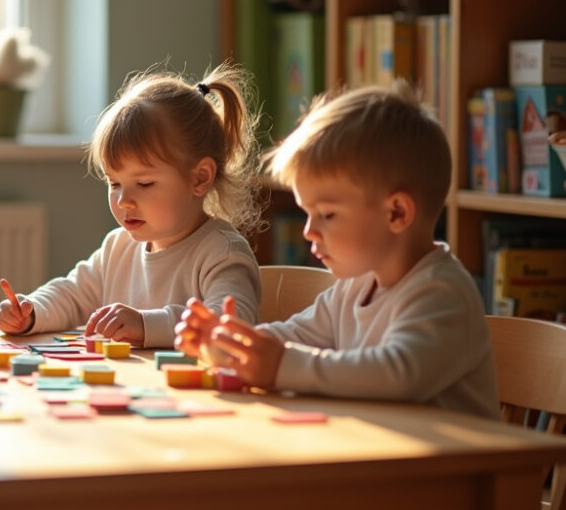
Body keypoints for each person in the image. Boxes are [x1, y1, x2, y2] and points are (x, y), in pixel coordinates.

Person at [175, 82, 500, 419]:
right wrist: (230, 343)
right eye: (307, 213)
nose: (308, 231)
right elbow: (295, 335)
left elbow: (399, 374)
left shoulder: (442, 293)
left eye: (327, 215)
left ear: (397, 213)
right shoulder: (355, 285)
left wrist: (282, 366)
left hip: (458, 468)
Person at [0, 63, 262, 347]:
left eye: (144, 184)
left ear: (200, 178)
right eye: (114, 184)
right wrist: (31, 311)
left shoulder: (223, 253)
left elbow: (230, 326)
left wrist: (146, 324)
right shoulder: (118, 248)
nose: (123, 200)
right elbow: (72, 294)